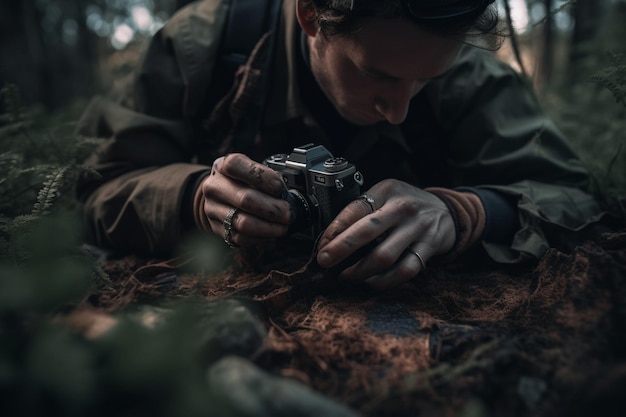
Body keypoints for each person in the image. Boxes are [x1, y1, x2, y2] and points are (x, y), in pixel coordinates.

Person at [76, 0, 606, 289]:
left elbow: (572, 192)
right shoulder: (203, 47)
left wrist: (463, 211)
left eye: (423, 82)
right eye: (377, 74)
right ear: (311, 15)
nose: (399, 109)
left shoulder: (466, 74)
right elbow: (102, 187)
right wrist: (192, 197)